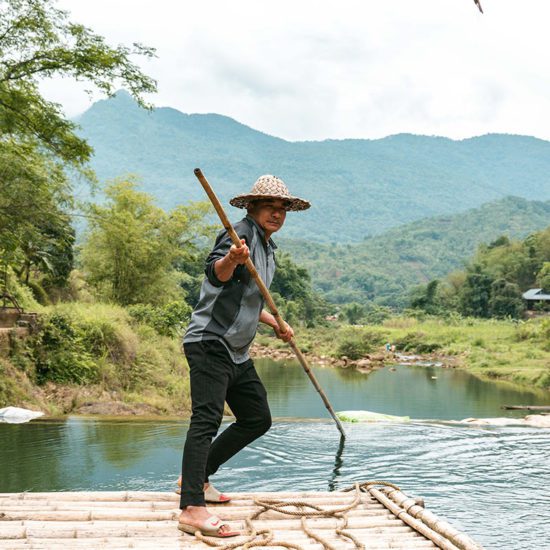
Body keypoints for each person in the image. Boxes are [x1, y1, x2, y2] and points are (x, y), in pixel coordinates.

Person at [177, 175, 311, 537]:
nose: (277, 214)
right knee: (206, 419)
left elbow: (249, 299)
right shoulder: (239, 235)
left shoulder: (267, 248)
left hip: (236, 350)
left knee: (257, 417)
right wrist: (232, 260)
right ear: (252, 207)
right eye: (270, 207)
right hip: (210, 342)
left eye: (283, 209)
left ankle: (198, 478)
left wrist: (274, 323)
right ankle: (191, 507)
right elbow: (216, 276)